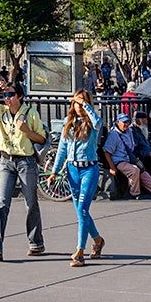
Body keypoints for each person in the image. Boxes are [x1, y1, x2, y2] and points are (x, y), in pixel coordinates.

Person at [0, 70, 46, 262]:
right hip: (6, 160)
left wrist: (26, 131)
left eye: (10, 95)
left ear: (20, 96)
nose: (7, 98)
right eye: (5, 95)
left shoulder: (30, 114)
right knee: (2, 203)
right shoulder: (0, 112)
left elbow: (41, 138)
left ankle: (36, 242)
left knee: (31, 202)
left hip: (26, 161)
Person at [49, 90, 103, 267]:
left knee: (83, 209)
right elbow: (62, 149)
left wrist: (85, 105)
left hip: (89, 168)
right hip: (72, 169)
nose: (78, 107)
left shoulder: (93, 122)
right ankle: (97, 239)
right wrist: (54, 171)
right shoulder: (68, 123)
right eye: (76, 104)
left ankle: (80, 251)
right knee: (81, 211)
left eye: (82, 103)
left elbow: (98, 122)